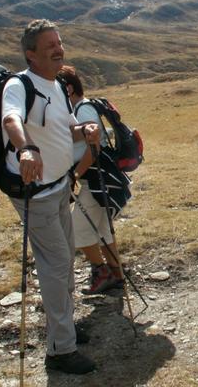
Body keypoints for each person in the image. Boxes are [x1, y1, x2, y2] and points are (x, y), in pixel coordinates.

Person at [1, 19, 100, 375]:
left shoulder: (56, 84)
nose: (59, 50)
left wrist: (84, 130)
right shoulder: (19, 85)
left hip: (60, 187)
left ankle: (65, 327)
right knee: (57, 265)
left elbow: (64, 129)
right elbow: (11, 119)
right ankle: (60, 350)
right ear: (31, 54)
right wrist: (26, 148)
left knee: (64, 260)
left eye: (59, 43)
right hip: (36, 193)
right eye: (50, 46)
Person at [57, 65, 125, 295]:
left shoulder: (83, 111)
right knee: (104, 228)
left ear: (68, 88)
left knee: (78, 229)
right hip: (98, 178)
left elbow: (93, 149)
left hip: (95, 179)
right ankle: (116, 274)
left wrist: (75, 174)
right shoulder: (79, 109)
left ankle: (102, 273)